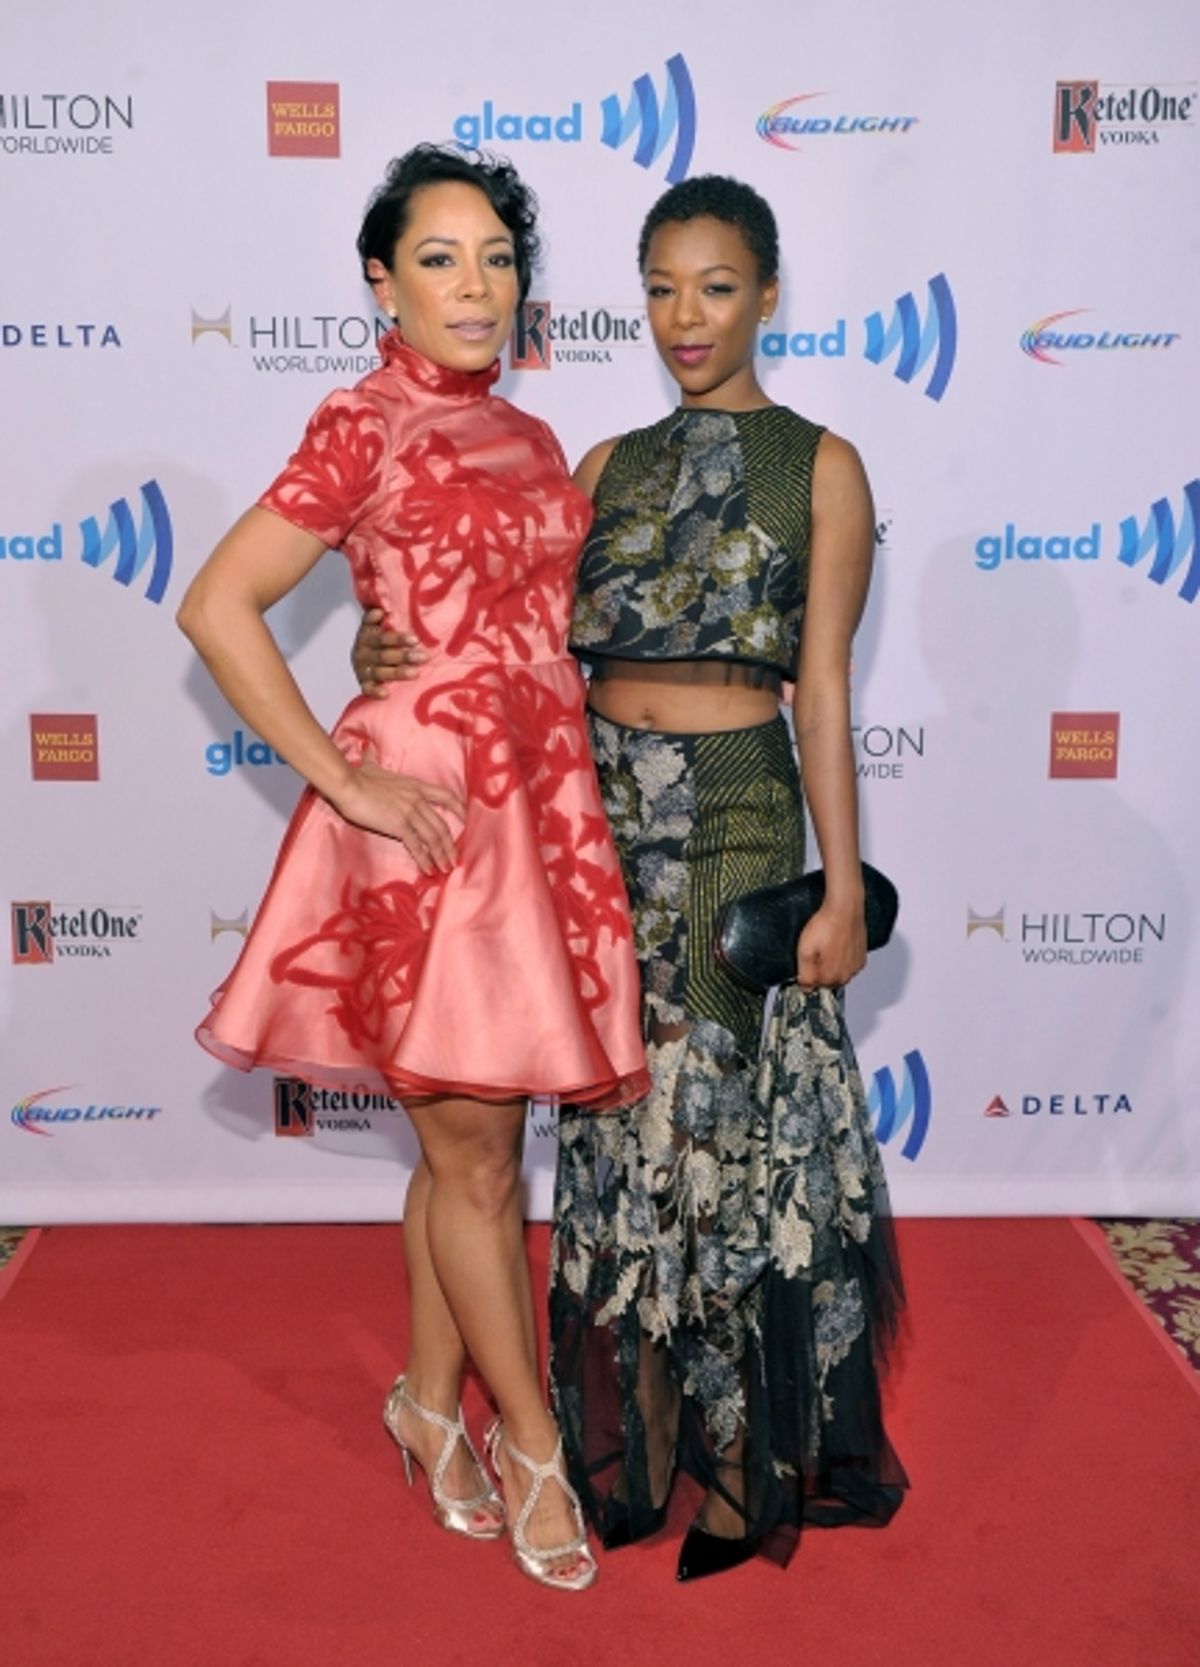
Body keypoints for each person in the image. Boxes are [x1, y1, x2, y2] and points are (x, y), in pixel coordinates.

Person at [353, 173, 907, 1583]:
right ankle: (637, 1441)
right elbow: (503, 635)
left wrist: (841, 885)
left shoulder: (821, 466)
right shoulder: (600, 464)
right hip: (591, 817)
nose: (685, 318)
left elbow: (824, 689)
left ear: (768, 294)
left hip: (733, 811)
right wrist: (380, 651)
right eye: (661, 289)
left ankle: (737, 1459)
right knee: (610, 1135)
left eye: (715, 288)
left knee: (712, 1133)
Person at [177, 144, 651, 1593]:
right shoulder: (360, 420)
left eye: (498, 257)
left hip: (539, 806)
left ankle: (427, 1407)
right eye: (440, 258)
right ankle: (534, 1447)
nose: (476, 284)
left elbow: (524, 619)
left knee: (472, 1152)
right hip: (431, 823)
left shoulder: (536, 436)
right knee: (476, 1153)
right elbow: (219, 605)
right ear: (382, 283)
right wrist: (345, 775)